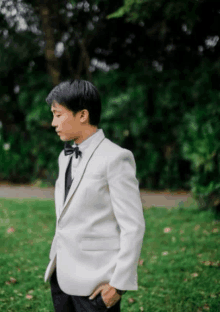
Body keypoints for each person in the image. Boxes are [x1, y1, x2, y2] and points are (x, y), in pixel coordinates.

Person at [44, 79, 145, 312]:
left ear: (82, 115)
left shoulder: (116, 158)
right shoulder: (64, 157)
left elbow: (133, 225)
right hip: (61, 277)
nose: (53, 123)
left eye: (58, 115)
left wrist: (118, 286)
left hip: (96, 284)